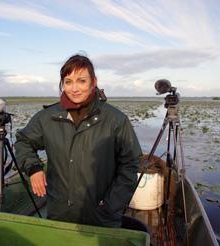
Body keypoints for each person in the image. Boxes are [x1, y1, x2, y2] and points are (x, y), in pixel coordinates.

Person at [15, 54, 142, 227]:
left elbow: (130, 163)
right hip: (59, 214)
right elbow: (23, 141)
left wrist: (110, 204)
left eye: (81, 81)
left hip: (101, 216)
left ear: (93, 82)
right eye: (68, 81)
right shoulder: (47, 118)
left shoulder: (115, 119)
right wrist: (34, 168)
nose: (74, 88)